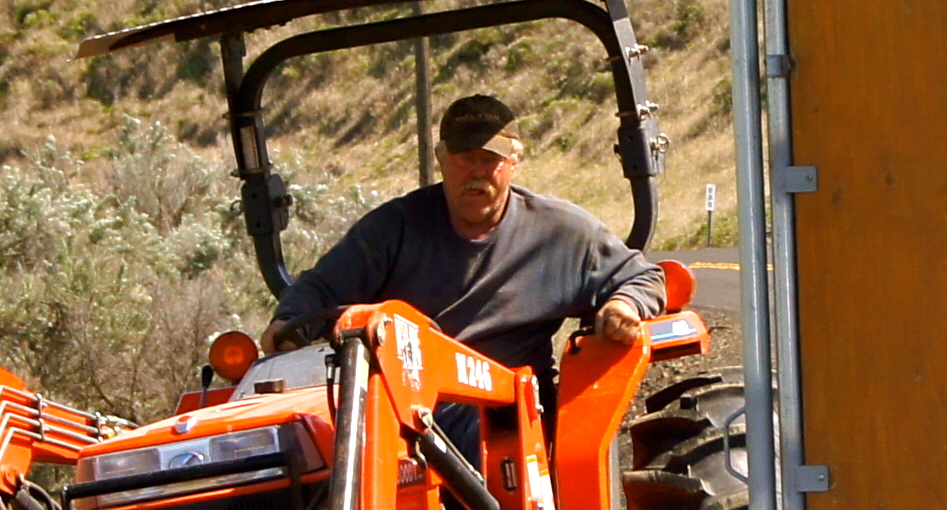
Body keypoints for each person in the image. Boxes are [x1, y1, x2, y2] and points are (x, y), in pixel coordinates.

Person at [263, 93, 664, 371]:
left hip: (513, 415)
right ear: (441, 157)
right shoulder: (393, 229)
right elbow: (321, 289)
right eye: (463, 157)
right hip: (406, 404)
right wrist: (288, 326)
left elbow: (644, 277)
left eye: (490, 159)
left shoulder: (561, 232)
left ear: (514, 161)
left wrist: (623, 306)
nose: (476, 171)